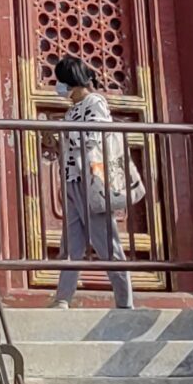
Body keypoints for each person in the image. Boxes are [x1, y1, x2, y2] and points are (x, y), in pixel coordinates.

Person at [48, 55, 135, 311]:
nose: (60, 89)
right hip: (72, 178)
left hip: (92, 178)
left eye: (62, 83)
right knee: (71, 242)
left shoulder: (95, 102)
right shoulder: (72, 110)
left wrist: (64, 134)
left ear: (71, 82)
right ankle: (63, 297)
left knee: (106, 241)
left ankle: (124, 301)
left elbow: (95, 138)